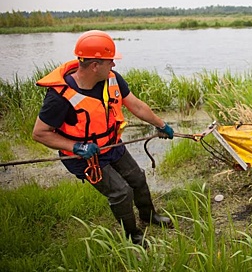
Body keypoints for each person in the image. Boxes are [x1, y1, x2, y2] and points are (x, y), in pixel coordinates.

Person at [32, 30, 175, 246]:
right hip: (83, 157)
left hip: (112, 145)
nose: (114, 66)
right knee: (120, 192)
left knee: (137, 178)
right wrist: (76, 147)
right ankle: (133, 235)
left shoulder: (112, 79)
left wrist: (161, 124)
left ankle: (149, 216)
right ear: (94, 65)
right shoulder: (59, 97)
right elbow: (39, 133)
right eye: (110, 61)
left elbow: (135, 105)